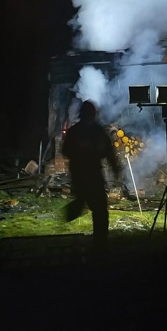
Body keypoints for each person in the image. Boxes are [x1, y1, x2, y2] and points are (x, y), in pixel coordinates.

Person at [62, 101, 122, 251]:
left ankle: (100, 244)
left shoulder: (88, 131)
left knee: (99, 210)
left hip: (86, 175)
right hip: (88, 175)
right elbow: (67, 150)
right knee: (99, 210)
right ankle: (100, 243)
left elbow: (107, 151)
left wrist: (115, 168)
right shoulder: (91, 131)